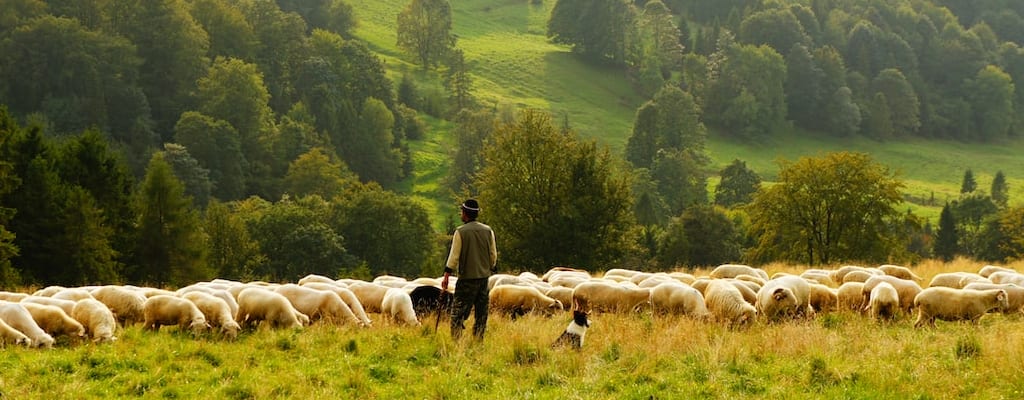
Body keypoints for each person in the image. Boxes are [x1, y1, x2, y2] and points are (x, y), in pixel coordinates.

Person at [441, 199, 497, 340]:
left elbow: (454, 256)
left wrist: (447, 274)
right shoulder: (488, 231)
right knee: (481, 313)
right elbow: (493, 254)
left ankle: (457, 341)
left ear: (465, 214)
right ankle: (478, 340)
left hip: (466, 279)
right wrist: (490, 267)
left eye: (461, 211)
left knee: (458, 313)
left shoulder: (460, 232)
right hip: (484, 279)